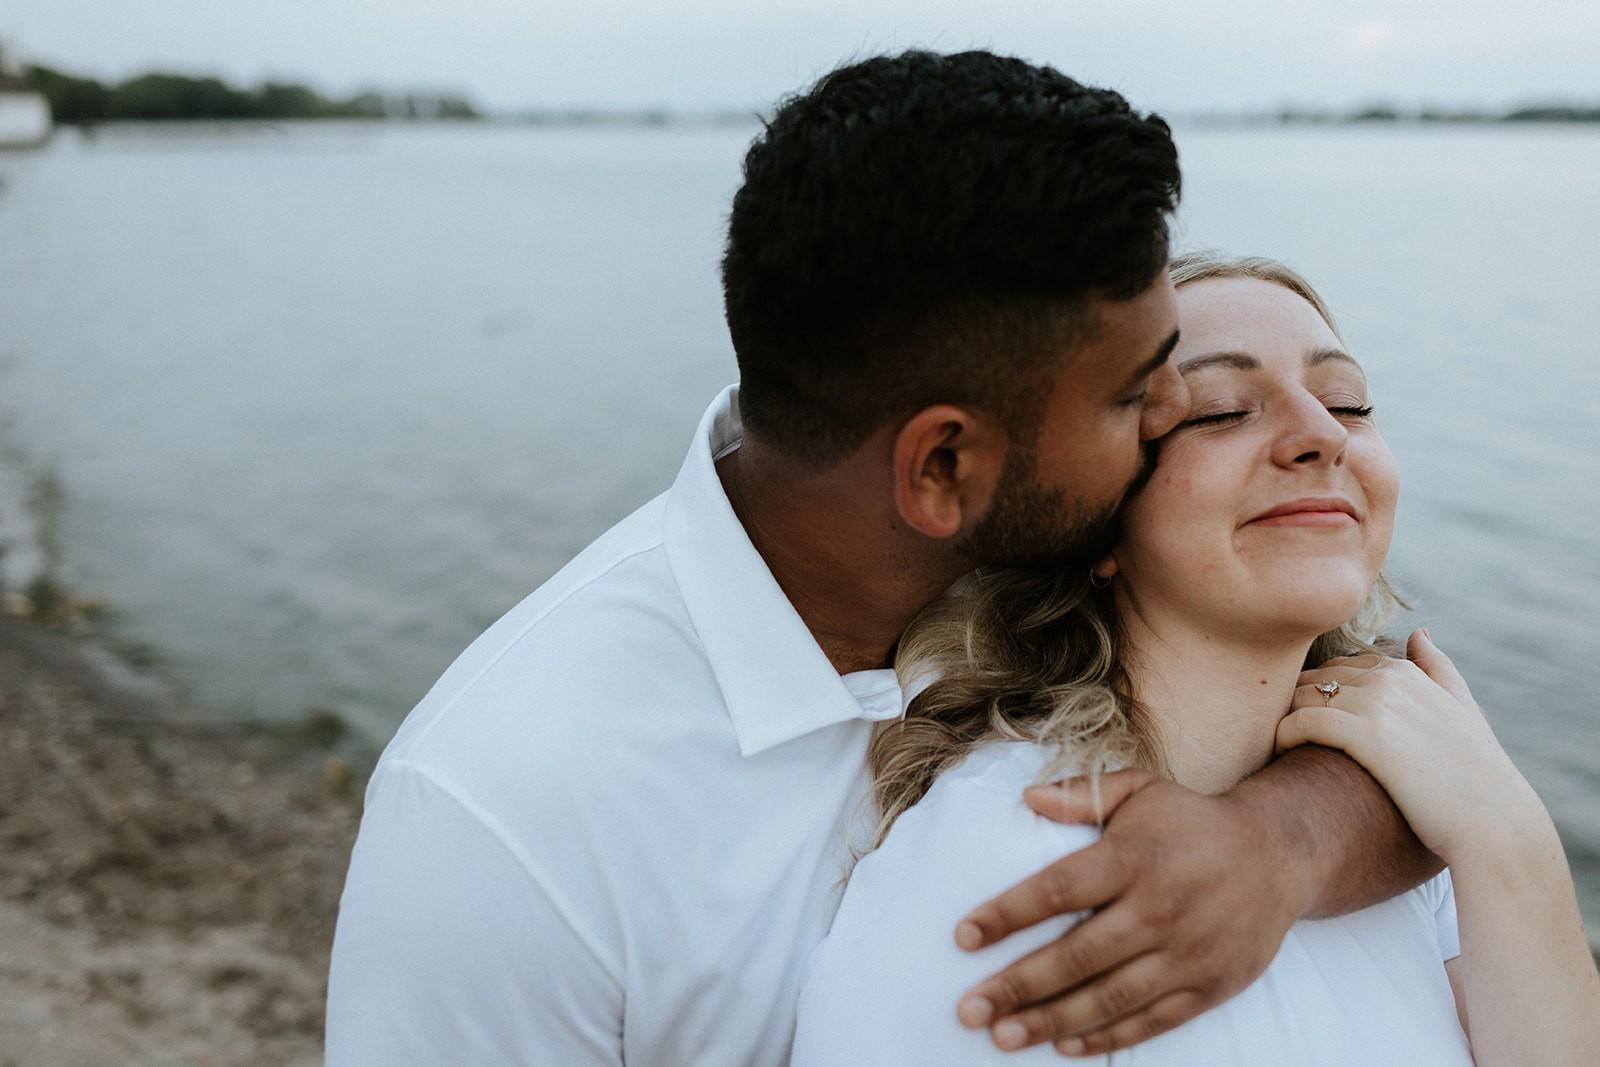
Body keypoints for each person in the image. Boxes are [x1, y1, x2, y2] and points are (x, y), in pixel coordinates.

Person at [324, 53, 1445, 1064]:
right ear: (940, 471)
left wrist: (1280, 840)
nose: (1167, 414)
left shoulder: (1013, 546)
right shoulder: (503, 815)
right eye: (1135, 394)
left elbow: (1412, 733)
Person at [792, 252, 1600, 1064]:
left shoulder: (1409, 804)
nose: (1322, 434)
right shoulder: (1009, 860)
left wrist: (1506, 828)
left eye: (1347, 401)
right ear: (1094, 520)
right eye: (1219, 411)